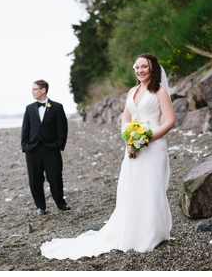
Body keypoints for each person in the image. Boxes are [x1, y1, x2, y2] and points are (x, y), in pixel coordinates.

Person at [41, 54, 174, 258]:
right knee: (132, 186)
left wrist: (146, 139)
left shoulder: (160, 91)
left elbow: (169, 121)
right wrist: (130, 139)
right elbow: (126, 119)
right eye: (136, 67)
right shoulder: (132, 91)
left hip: (153, 145)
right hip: (133, 146)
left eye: (144, 67)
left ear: (152, 68)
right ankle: (132, 231)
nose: (140, 71)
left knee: (151, 186)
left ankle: (153, 233)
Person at [21, 80, 69, 216]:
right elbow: (25, 128)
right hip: (33, 149)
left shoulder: (57, 107)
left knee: (55, 177)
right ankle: (40, 206)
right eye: (32, 89)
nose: (32, 92)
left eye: (35, 89)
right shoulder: (29, 109)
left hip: (51, 149)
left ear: (43, 90)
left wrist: (59, 145)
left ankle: (61, 203)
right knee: (34, 179)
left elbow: (63, 128)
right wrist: (25, 146)